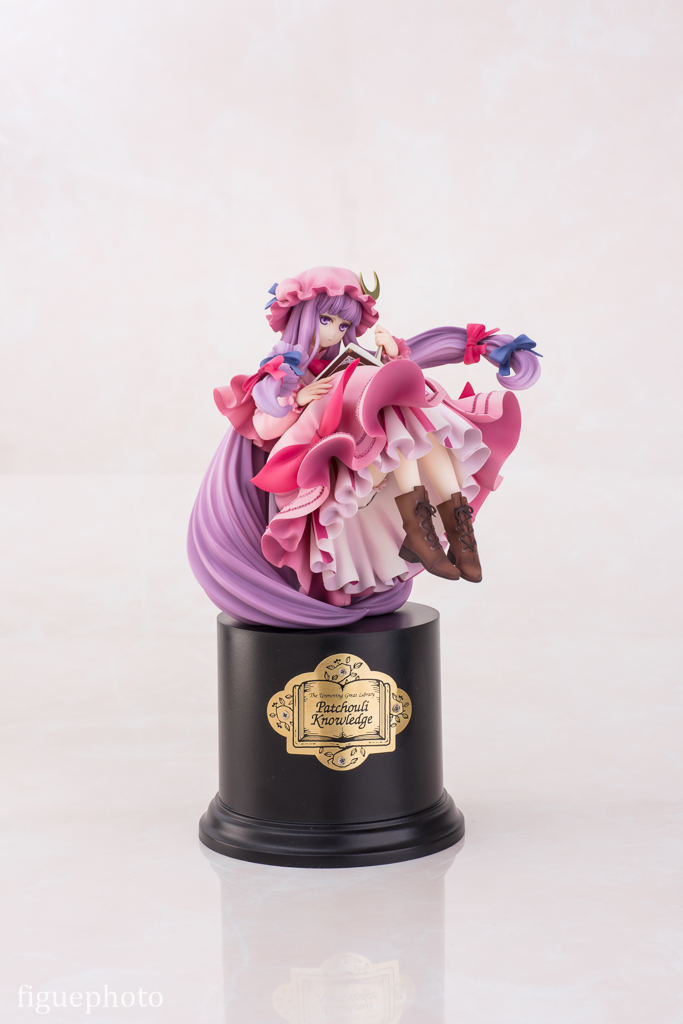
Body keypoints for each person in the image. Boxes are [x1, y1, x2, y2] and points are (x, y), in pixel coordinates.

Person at [188, 266, 541, 627]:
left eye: (344, 326)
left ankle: (455, 530)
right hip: (315, 465)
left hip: (363, 453)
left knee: (411, 414)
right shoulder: (284, 370)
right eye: (326, 320)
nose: (334, 332)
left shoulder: (344, 362)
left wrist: (391, 355)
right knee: (393, 403)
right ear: (302, 317)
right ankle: (424, 531)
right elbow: (263, 425)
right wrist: (298, 399)